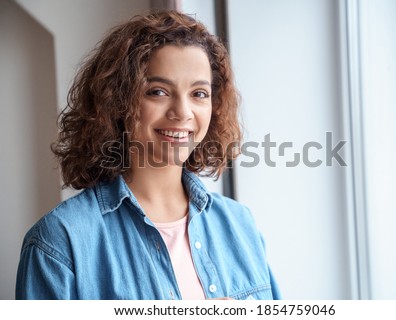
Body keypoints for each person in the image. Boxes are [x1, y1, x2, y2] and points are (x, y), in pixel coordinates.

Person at [15, 10, 281, 300]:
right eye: (158, 91)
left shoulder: (241, 225)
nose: (182, 112)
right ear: (117, 101)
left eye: (199, 94)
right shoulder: (59, 241)